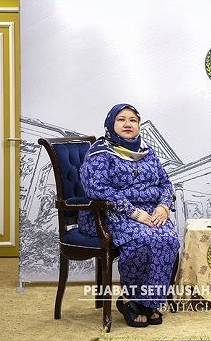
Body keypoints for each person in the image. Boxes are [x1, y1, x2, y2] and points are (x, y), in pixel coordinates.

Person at [78, 103, 180, 328]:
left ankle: (149, 302)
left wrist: (163, 206)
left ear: (138, 125)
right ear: (111, 123)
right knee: (142, 239)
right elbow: (96, 188)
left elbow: (165, 183)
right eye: (121, 119)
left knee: (168, 239)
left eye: (133, 120)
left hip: (151, 211)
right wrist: (133, 212)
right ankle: (130, 298)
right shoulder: (100, 152)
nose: (127, 124)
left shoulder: (147, 150)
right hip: (111, 212)